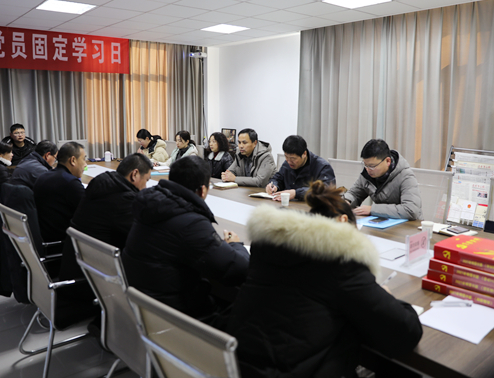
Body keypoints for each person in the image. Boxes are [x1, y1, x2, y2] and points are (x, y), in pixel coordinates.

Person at [227, 181, 423, 378]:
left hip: (239, 366)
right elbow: (406, 332)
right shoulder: (341, 263)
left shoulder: (266, 245)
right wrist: (388, 297)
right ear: (343, 220)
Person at [121, 156, 249, 324]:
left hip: (141, 308)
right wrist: (236, 245)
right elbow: (238, 269)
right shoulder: (191, 223)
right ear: (203, 190)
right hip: (176, 319)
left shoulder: (150, 205)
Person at [58, 153, 154, 308]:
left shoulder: (100, 184)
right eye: (146, 180)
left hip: (77, 272)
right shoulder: (123, 200)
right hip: (94, 288)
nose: (145, 187)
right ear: (134, 174)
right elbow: (143, 239)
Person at [344, 139, 423, 220]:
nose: (368, 169)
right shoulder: (367, 174)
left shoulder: (406, 176)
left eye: (372, 166)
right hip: (382, 222)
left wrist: (372, 209)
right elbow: (354, 194)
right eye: (365, 165)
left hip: (409, 225)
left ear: (388, 161)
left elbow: (410, 210)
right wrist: (346, 201)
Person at [33, 142, 87, 243]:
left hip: (43, 238)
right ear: (73, 160)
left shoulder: (43, 176)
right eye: (84, 159)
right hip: (63, 242)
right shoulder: (71, 183)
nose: (85, 164)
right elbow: (89, 212)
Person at [266, 135, 335, 201]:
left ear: (304, 154)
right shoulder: (287, 164)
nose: (289, 161)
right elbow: (278, 178)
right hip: (287, 205)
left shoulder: (322, 167)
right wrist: (273, 186)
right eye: (286, 156)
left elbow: (325, 190)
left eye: (293, 158)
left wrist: (296, 193)